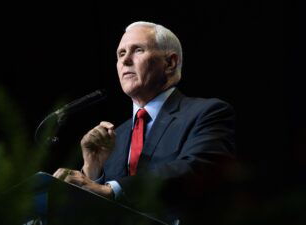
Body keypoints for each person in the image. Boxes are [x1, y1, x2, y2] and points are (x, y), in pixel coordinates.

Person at [53, 21, 236, 223]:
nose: (126, 61)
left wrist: (112, 189)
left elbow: (198, 168)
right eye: (121, 54)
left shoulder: (206, 112)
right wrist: (93, 170)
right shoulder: (115, 136)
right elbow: (100, 205)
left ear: (170, 63)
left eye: (138, 50)